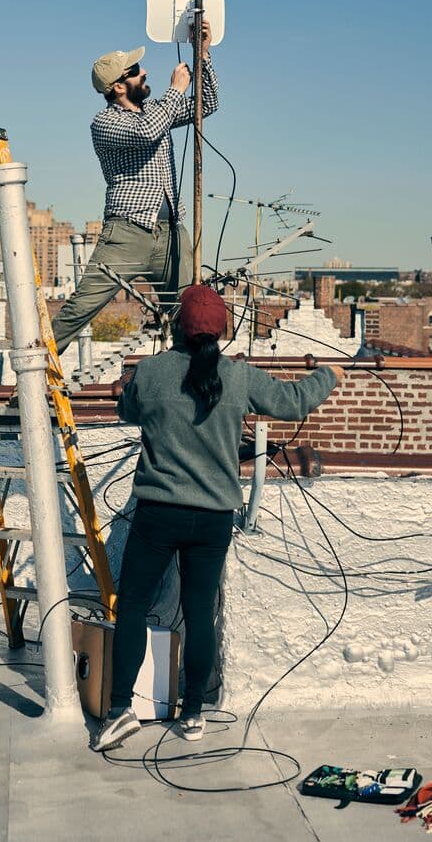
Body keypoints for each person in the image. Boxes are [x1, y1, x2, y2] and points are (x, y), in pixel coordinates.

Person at [91, 284, 344, 751]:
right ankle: (192, 715)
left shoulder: (151, 371)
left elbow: (128, 409)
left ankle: (121, 709)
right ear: (223, 330)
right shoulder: (239, 377)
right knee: (199, 612)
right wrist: (328, 374)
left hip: (158, 513)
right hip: (211, 519)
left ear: (178, 329)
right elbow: (292, 402)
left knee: (130, 606)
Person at [51, 23, 219, 354]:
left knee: (190, 315)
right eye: (134, 70)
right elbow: (146, 132)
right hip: (127, 232)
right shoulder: (104, 122)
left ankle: (191, 387)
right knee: (79, 310)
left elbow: (207, 104)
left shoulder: (158, 109)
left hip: (170, 231)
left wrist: (203, 55)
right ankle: (30, 380)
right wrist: (175, 90)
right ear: (116, 87)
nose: (144, 71)